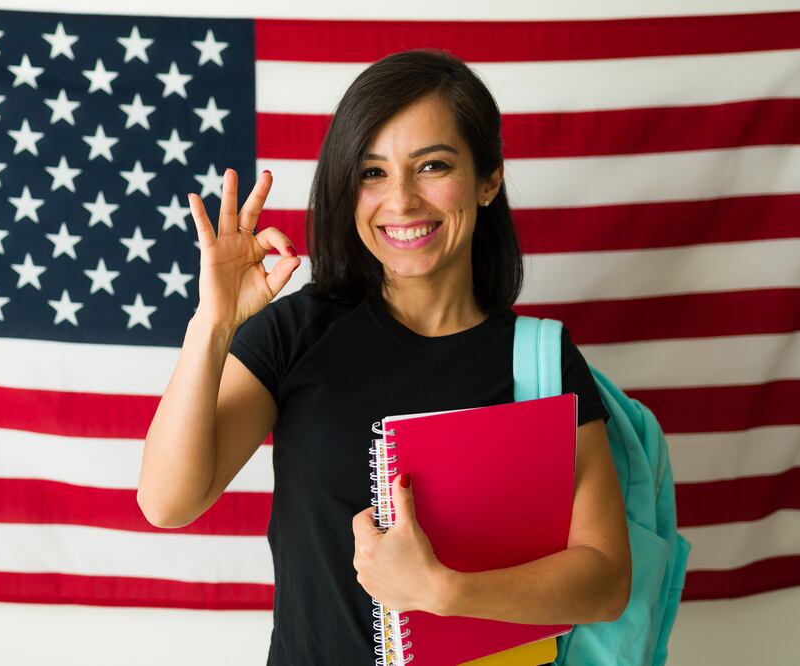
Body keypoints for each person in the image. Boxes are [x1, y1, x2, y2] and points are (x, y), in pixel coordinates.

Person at [139, 48, 632, 665]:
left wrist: (440, 591)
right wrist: (213, 322)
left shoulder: (538, 358)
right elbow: (167, 502)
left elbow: (606, 581)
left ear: (488, 179)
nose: (400, 200)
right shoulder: (299, 332)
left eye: (432, 166)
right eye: (372, 173)